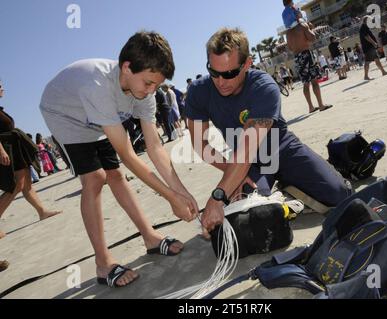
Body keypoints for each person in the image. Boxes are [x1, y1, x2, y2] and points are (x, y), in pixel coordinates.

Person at [39, 31, 199, 288]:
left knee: (116, 175)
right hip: (65, 113)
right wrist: (171, 198)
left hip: (97, 114)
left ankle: (150, 237)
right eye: (148, 83)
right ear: (127, 67)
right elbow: (128, 154)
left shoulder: (144, 91)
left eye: (156, 85)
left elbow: (155, 146)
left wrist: (182, 193)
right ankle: (103, 262)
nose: (151, 91)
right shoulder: (98, 87)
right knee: (95, 178)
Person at [185, 28, 351, 235]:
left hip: (281, 147)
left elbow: (249, 146)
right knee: (244, 223)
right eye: (213, 72)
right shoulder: (198, 92)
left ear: (247, 64)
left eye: (229, 73)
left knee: (340, 195)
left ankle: (291, 180)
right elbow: (201, 146)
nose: (220, 81)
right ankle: (276, 191)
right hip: (248, 163)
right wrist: (233, 175)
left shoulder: (264, 86)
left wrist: (219, 195)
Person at [0, 82, 62, 232]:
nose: (2, 88)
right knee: (16, 185)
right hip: (7, 149)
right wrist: (1, 151)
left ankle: (42, 212)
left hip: (15, 148)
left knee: (27, 184)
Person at [285, 15, 333, 113]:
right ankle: (321, 105)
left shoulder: (288, 33)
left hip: (297, 57)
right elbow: (313, 38)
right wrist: (309, 27)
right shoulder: (302, 25)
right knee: (314, 81)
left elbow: (290, 48)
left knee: (305, 83)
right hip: (306, 54)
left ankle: (311, 107)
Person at [359, 16, 387, 80]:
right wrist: (374, 43)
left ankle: (383, 71)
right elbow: (366, 36)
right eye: (370, 20)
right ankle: (366, 76)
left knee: (377, 59)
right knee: (367, 61)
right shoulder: (363, 27)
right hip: (368, 47)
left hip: (370, 47)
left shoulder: (365, 27)